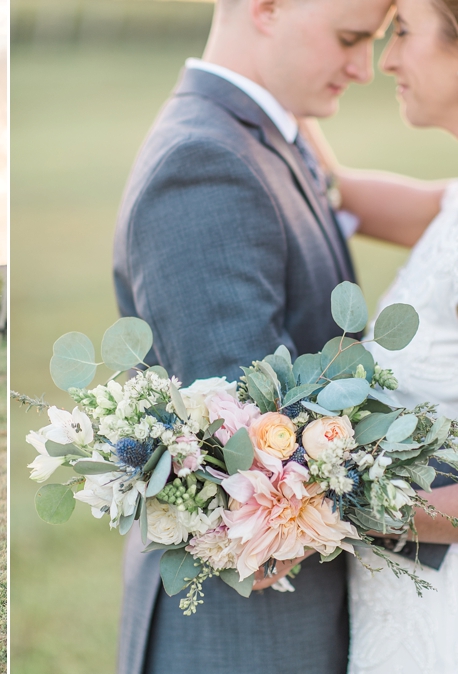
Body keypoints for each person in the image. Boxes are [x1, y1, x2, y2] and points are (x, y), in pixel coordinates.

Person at [111, 0, 392, 671]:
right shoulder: (204, 163)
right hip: (249, 628)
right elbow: (250, 451)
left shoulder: (266, 133)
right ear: (266, 8)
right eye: (351, 39)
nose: (364, 68)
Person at [303, 0, 458, 669]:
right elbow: (335, 189)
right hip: (394, 602)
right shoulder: (452, 201)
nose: (386, 60)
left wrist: (330, 508)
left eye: (403, 34)